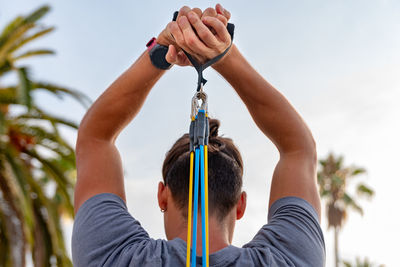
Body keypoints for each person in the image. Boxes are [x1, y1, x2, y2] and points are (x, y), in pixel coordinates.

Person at [72, 4, 325, 267]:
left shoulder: (114, 258)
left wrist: (163, 51)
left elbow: (95, 137)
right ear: (240, 206)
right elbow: (299, 148)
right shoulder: (289, 262)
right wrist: (223, 54)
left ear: (162, 196)